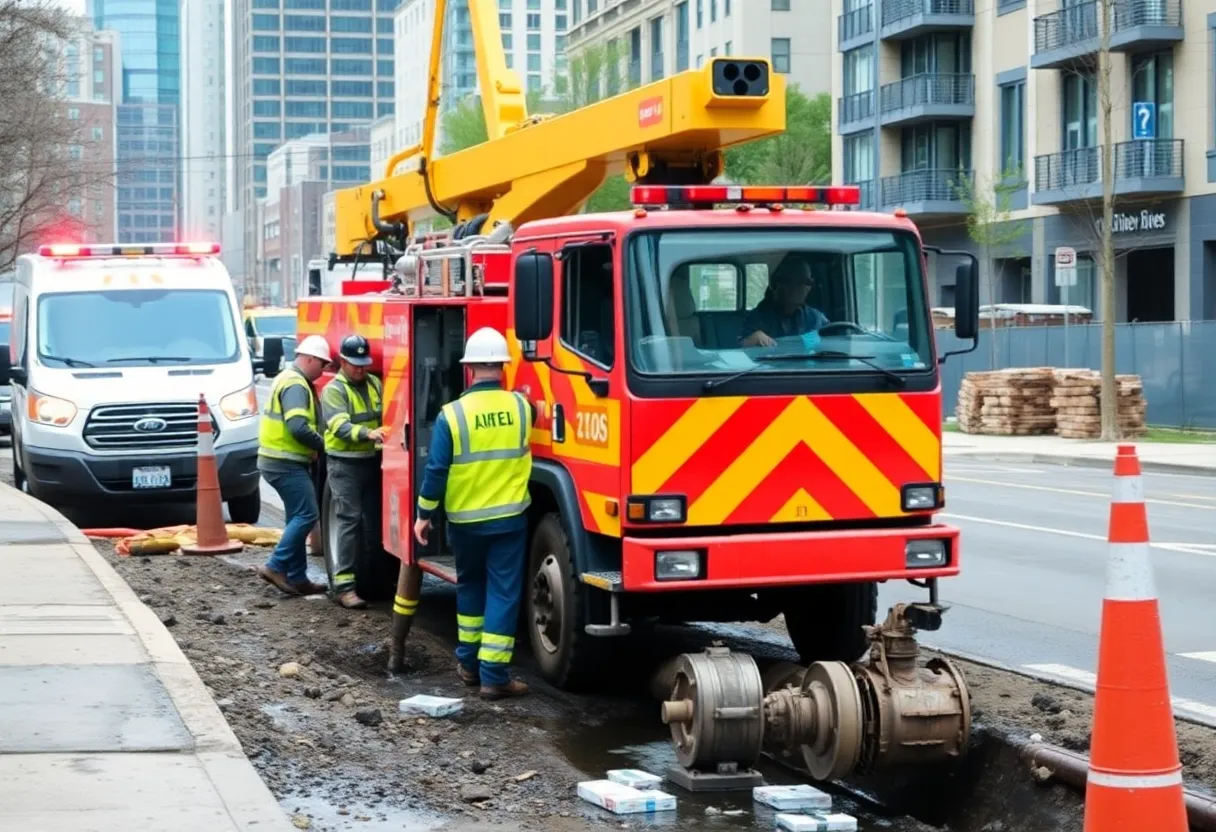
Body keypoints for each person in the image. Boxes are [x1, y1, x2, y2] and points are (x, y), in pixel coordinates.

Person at [413, 327, 535, 701]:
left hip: (465, 522)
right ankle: (494, 676)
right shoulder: (521, 408)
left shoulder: (452, 415)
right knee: (503, 591)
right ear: (502, 366)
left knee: (470, 587)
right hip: (509, 520)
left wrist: (423, 514)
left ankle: (467, 664)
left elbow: (436, 471)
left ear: (468, 370)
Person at [256, 334, 333, 596]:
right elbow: (297, 427)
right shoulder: (296, 385)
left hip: (279, 460)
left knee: (295, 517)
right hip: (284, 462)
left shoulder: (290, 379)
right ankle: (275, 565)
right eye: (321, 364)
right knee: (307, 515)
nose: (323, 371)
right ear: (309, 358)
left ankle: (298, 577)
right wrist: (324, 445)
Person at [319, 334, 387, 610]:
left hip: (371, 462)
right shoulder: (334, 390)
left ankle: (372, 582)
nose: (361, 369)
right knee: (349, 521)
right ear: (343, 362)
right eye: (355, 364)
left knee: (374, 523)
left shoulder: (374, 384)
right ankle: (343, 587)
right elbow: (339, 426)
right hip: (345, 465)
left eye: (364, 363)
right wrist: (369, 434)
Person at [739, 256, 830, 347]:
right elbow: (740, 348)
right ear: (777, 284)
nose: (803, 287)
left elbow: (832, 339)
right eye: (794, 281)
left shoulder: (815, 318)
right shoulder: (758, 318)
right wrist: (752, 339)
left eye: (808, 282)